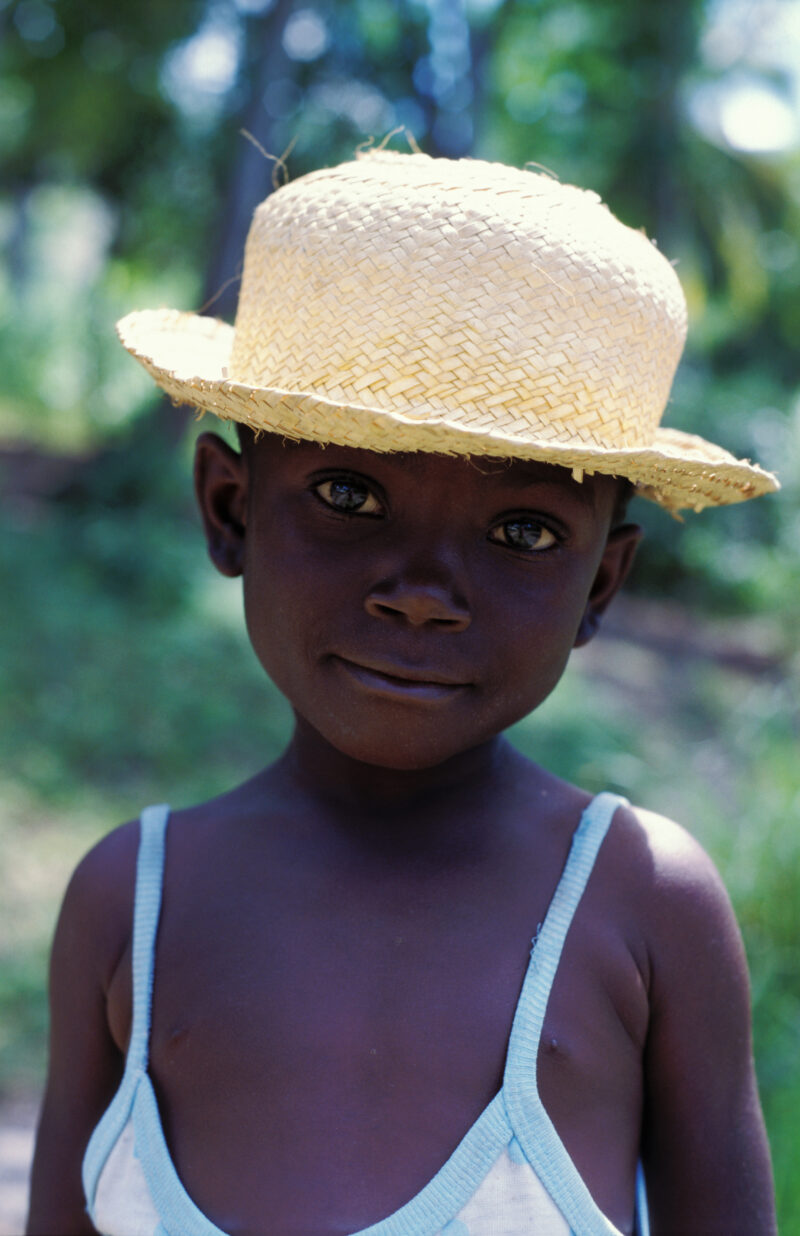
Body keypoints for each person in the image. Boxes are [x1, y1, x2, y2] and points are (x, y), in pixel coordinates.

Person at [27, 151, 779, 1236]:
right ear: (229, 507)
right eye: (349, 493)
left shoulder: (640, 905)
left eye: (522, 531)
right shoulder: (129, 902)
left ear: (599, 583)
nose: (422, 595)